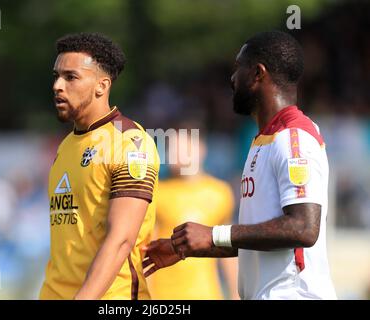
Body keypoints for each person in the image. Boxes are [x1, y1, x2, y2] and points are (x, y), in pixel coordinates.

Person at [142, 31, 337, 300]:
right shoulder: (263, 141)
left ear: (258, 74)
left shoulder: (294, 138)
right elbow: (257, 238)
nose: (232, 79)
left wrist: (212, 234)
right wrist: (186, 246)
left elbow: (303, 228)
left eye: (238, 69)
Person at [39, 33, 160, 300]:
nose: (58, 85)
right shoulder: (66, 145)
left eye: (71, 77)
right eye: (57, 76)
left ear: (101, 86)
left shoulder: (130, 142)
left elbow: (121, 241)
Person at [147, 127, 239, 299]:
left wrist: (235, 293)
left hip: (206, 294)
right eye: (171, 149)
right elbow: (147, 248)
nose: (175, 154)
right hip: (163, 296)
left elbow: (229, 250)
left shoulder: (220, 193)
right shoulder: (157, 193)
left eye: (182, 148)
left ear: (200, 149)